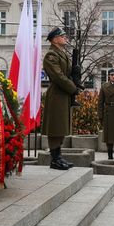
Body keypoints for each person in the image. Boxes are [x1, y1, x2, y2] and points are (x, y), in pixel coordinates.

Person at [42, 27, 79, 170]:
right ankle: (55, 159)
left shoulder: (61, 54)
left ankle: (58, 157)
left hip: (63, 95)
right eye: (62, 36)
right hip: (57, 95)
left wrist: (75, 73)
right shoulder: (51, 55)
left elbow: (66, 74)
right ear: (55, 39)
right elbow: (58, 76)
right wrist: (72, 88)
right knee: (56, 128)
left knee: (61, 127)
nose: (65, 38)